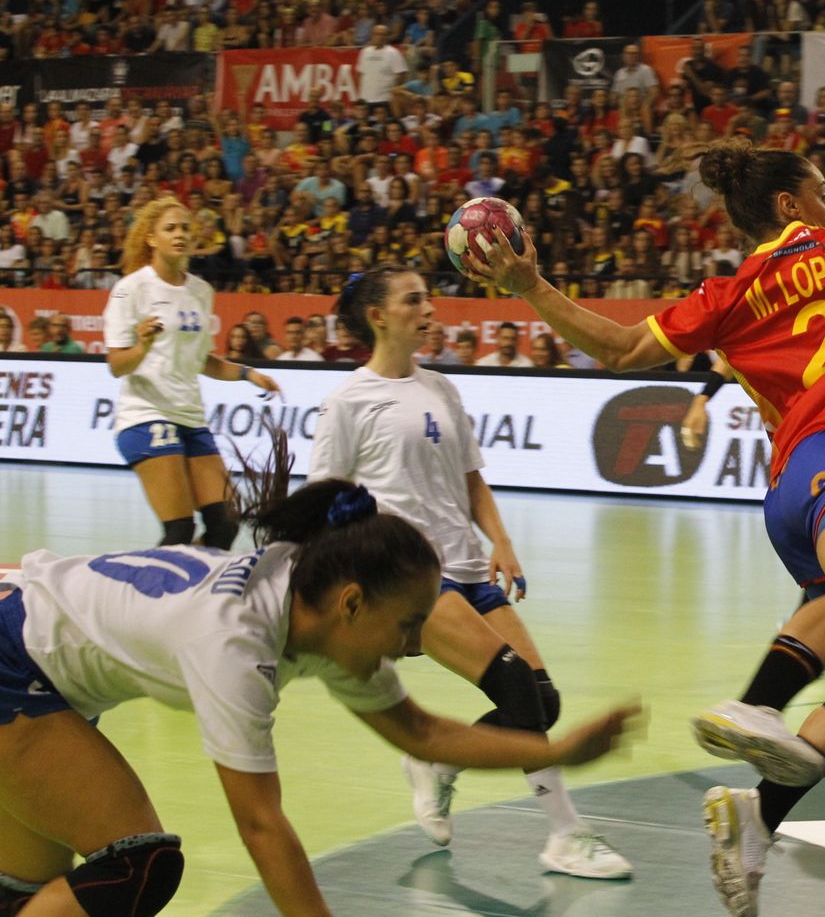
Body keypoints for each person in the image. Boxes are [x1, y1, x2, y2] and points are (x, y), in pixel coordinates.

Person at [465, 138, 825, 917]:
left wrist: (533, 286)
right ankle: (759, 702)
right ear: (791, 205)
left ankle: (756, 816)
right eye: (823, 191)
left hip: (789, 487)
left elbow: (622, 347)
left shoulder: (728, 294)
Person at [0, 448, 637, 916]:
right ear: (353, 604)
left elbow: (421, 732)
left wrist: (556, 751)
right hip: (13, 660)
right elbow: (261, 826)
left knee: (29, 893)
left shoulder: (312, 601)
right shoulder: (236, 644)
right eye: (410, 625)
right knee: (136, 866)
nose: (415, 646)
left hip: (34, 663)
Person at [308, 267, 631, 878]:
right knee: (513, 688)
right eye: (413, 300)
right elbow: (325, 500)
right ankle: (565, 833)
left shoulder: (441, 388)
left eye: (428, 297)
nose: (428, 309)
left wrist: (501, 540)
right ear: (378, 316)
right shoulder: (348, 400)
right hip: (410, 577)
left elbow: (470, 478)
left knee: (541, 698)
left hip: (468, 567)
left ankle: (437, 762)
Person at [105, 198, 282, 547]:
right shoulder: (132, 289)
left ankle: (188, 592)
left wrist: (248, 374)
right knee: (179, 530)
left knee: (225, 527)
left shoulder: (201, 291)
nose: (180, 234)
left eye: (185, 227)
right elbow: (115, 365)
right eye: (170, 228)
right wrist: (141, 347)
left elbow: (203, 360)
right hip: (146, 417)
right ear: (151, 239)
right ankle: (140, 595)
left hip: (190, 418)